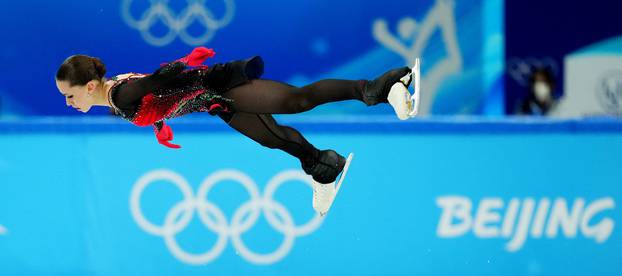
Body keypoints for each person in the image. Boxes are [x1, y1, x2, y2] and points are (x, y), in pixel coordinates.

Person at [55, 47, 418, 215]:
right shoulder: (115, 98)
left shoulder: (120, 92)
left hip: (221, 89)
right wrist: (160, 125)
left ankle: (380, 87)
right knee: (273, 139)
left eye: (69, 95)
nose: (68, 103)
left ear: (89, 86)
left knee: (297, 101)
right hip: (218, 104)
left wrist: (186, 62)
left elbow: (157, 80)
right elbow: (154, 100)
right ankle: (324, 166)